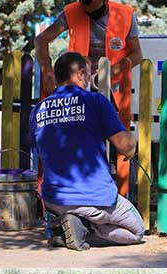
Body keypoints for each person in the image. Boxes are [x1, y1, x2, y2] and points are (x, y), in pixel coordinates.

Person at [30, 52, 145, 251]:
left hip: (53, 199)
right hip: (95, 198)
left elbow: (38, 150)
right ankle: (84, 228)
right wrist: (132, 146)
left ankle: (67, 226)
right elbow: (124, 145)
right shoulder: (95, 101)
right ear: (81, 74)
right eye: (89, 75)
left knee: (78, 211)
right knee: (137, 232)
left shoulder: (38, 110)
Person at [35, 0, 143, 102]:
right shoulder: (72, 12)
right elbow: (41, 40)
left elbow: (137, 55)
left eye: (97, 12)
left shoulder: (125, 15)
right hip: (78, 87)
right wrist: (47, 72)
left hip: (113, 90)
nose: (93, 17)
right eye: (87, 13)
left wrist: (111, 71)